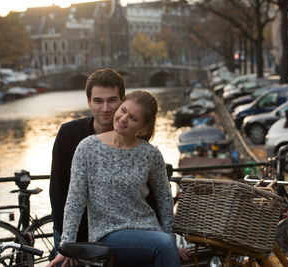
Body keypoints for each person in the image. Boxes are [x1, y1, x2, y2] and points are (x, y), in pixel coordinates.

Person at [47, 91, 188, 267]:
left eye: (133, 118)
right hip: (108, 233)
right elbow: (76, 198)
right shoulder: (87, 148)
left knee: (164, 249)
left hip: (150, 232)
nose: (123, 119)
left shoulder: (151, 154)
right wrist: (66, 244)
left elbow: (164, 198)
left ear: (143, 126)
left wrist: (170, 241)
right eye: (123, 110)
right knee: (164, 247)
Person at [49, 68, 126, 253]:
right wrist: (69, 241)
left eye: (112, 100)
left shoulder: (133, 137)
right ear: (89, 102)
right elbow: (58, 189)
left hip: (115, 233)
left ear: (122, 101)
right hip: (73, 231)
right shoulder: (68, 134)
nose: (105, 108)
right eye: (98, 101)